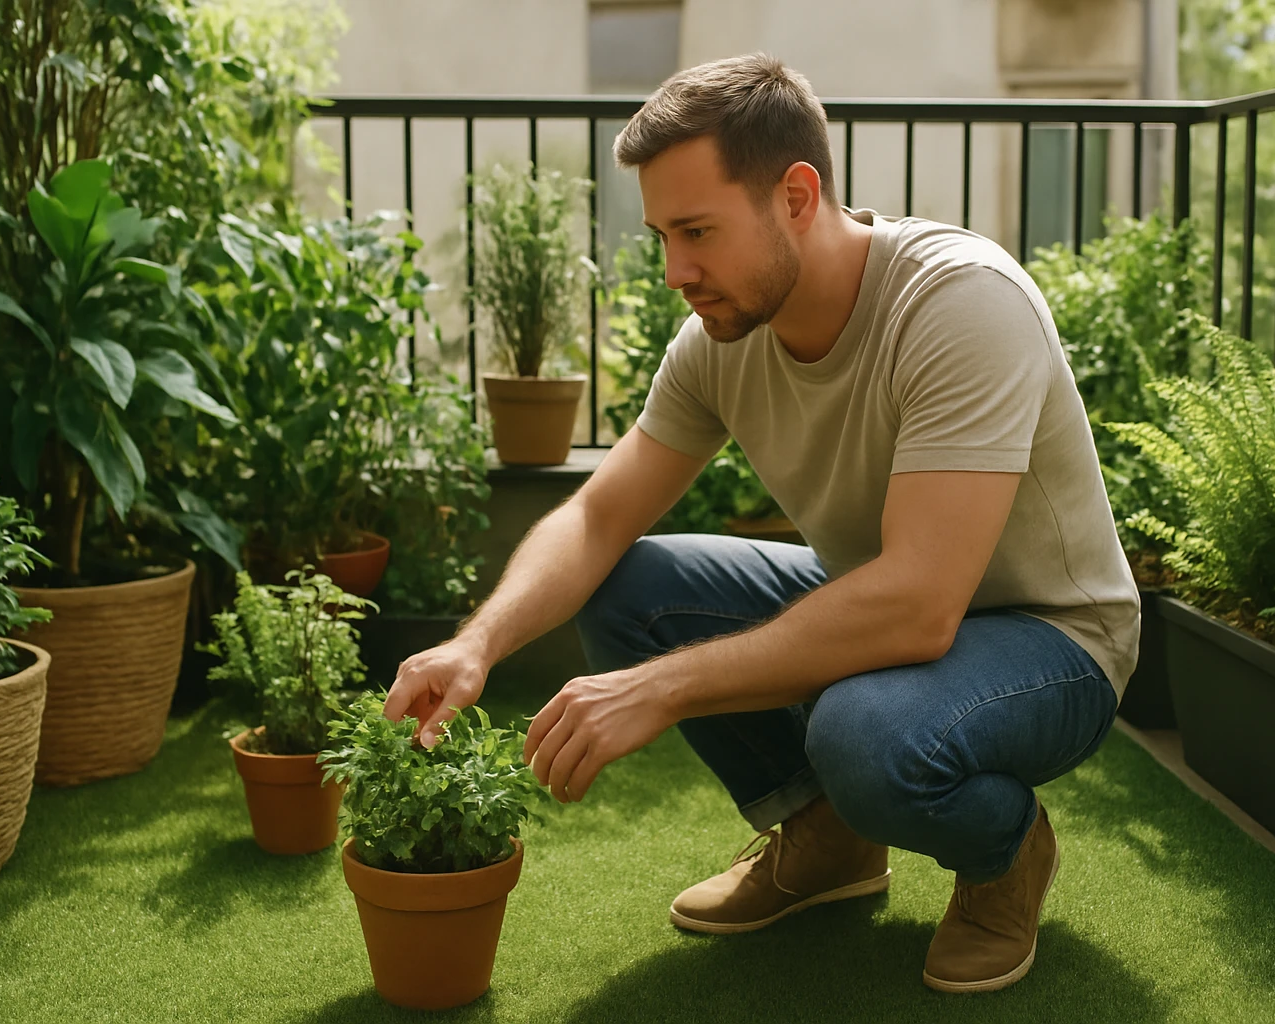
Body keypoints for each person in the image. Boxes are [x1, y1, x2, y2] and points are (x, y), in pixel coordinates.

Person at [384, 51, 1140, 994]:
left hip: (1049, 641)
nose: (674, 270)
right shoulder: (718, 339)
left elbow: (917, 608)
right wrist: (479, 644)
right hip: (883, 606)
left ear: (795, 195)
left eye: (697, 231)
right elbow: (599, 515)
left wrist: (660, 692)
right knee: (631, 589)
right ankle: (829, 842)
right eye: (662, 235)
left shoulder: (958, 304)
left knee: (865, 735)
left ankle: (1004, 854)